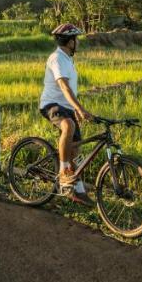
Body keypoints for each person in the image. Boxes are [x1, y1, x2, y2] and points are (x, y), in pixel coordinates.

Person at [40, 22, 94, 204]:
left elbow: (71, 89)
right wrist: (79, 108)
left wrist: (74, 109)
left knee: (75, 148)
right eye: (76, 39)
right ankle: (63, 173)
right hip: (51, 104)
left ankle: (77, 190)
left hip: (66, 107)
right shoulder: (57, 58)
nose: (78, 42)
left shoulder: (68, 58)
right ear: (70, 42)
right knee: (68, 125)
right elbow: (63, 85)